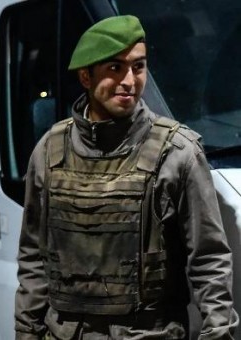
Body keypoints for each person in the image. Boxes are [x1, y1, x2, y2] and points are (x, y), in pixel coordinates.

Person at [15, 15, 238, 339]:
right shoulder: (50, 151)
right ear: (85, 76)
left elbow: (209, 260)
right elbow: (34, 258)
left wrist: (219, 333)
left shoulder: (177, 152)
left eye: (138, 66)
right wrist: (25, 332)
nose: (129, 81)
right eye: (115, 68)